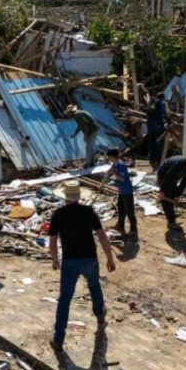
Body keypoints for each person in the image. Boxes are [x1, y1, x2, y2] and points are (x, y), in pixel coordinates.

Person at [48, 180, 116, 352]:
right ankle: (100, 315)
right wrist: (110, 258)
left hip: (70, 262)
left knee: (64, 299)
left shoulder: (58, 214)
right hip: (89, 259)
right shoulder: (88, 212)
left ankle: (58, 339)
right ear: (78, 196)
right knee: (94, 287)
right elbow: (102, 236)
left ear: (65, 197)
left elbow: (53, 240)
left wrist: (55, 259)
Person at [156, 152, 186, 232]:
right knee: (166, 196)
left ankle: (171, 213)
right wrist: (162, 191)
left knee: (173, 194)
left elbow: (184, 183)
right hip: (164, 173)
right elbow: (168, 177)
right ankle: (171, 221)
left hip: (173, 177)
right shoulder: (180, 165)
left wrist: (177, 195)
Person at [102, 148, 137, 239]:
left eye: (109, 157)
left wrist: (114, 173)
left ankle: (133, 230)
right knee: (121, 209)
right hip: (121, 191)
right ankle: (120, 225)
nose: (109, 159)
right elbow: (109, 173)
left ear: (113, 157)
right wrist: (103, 183)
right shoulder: (115, 164)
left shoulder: (121, 165)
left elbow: (123, 179)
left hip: (127, 191)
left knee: (129, 211)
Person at [146, 92, 170, 167]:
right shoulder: (163, 103)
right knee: (159, 141)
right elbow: (166, 113)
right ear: (163, 97)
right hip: (158, 125)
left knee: (151, 141)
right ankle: (158, 159)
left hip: (150, 124)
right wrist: (169, 122)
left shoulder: (152, 102)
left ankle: (151, 158)